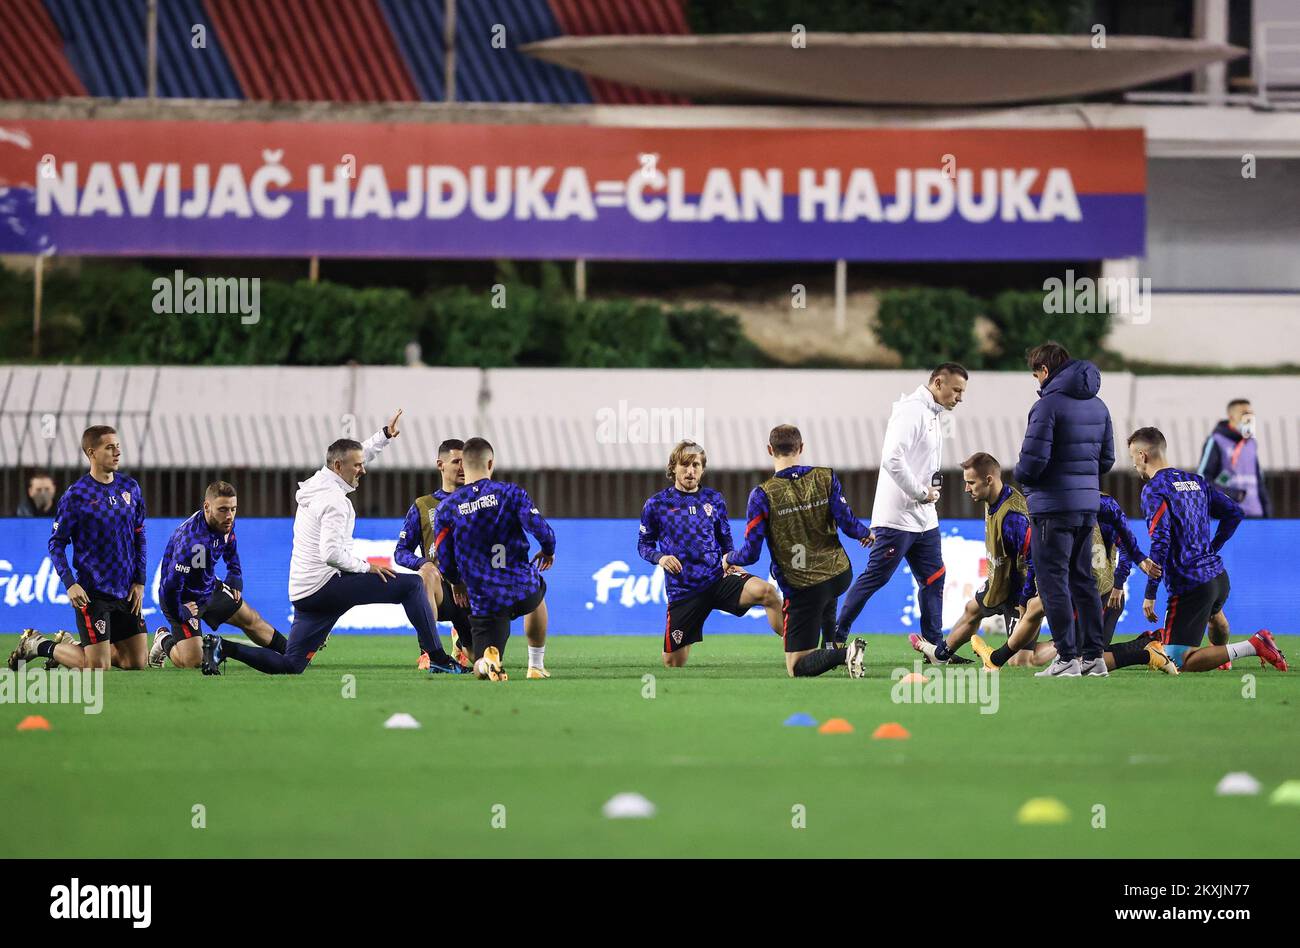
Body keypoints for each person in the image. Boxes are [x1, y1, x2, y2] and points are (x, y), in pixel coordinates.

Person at [201, 409, 464, 676]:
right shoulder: (336, 501)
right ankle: (438, 657)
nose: (363, 470)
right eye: (357, 466)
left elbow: (355, 453)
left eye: (362, 463)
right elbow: (331, 553)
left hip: (304, 593)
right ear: (338, 468)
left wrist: (383, 436)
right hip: (327, 587)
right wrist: (368, 567)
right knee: (412, 585)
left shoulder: (320, 480)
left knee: (292, 664)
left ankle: (224, 648)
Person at [1117, 426, 1286, 674]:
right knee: (1215, 616)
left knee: (1178, 661)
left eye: (1133, 458)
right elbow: (1235, 512)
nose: (1134, 465)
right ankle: (1221, 657)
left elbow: (1161, 539)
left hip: (1191, 585)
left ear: (1143, 456)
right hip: (1218, 578)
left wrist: (1150, 592)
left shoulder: (1154, 489)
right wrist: (1212, 548)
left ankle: (1253, 645)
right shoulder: (1196, 481)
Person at [834, 363, 968, 656]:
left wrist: (927, 496)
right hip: (897, 518)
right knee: (876, 577)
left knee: (934, 578)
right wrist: (921, 492)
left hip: (923, 518)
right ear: (937, 382)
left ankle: (934, 647)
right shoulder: (911, 411)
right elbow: (891, 459)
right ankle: (835, 637)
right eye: (956, 390)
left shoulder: (932, 413)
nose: (960, 397)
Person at [723, 424, 868, 678]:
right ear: (801, 448)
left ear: (770, 450)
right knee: (825, 591)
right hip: (839, 575)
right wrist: (865, 534)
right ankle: (832, 643)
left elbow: (751, 554)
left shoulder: (762, 495)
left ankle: (844, 653)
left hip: (804, 587)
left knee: (797, 667)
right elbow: (848, 523)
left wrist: (728, 558)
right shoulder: (826, 476)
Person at [1013, 341, 1114, 679]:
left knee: (1053, 581)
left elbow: (1033, 461)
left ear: (1044, 371)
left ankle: (1067, 657)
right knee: (1082, 579)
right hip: (1088, 505)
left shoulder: (1047, 406)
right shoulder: (1099, 407)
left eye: (1035, 374)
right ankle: (1094, 658)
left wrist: (1022, 477)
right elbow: (1107, 460)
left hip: (1053, 507)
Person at [10, 427, 148, 671]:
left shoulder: (130, 488)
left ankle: (72, 647)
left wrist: (139, 581)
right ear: (92, 453)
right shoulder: (76, 495)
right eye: (110, 447)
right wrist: (70, 583)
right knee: (98, 667)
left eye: (118, 445)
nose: (118, 452)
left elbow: (140, 534)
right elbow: (56, 543)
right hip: (93, 593)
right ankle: (39, 645)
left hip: (126, 591)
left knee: (136, 662)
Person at [638, 440, 782, 668]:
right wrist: (661, 558)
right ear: (673, 467)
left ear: (702, 469)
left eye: (696, 465)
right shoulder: (656, 504)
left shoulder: (714, 500)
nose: (690, 470)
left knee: (768, 592)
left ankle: (798, 645)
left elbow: (725, 538)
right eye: (684, 464)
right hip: (684, 591)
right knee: (674, 663)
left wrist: (731, 560)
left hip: (718, 578)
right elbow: (643, 545)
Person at [433, 437, 555, 680]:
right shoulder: (510, 493)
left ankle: (488, 661)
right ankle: (536, 666)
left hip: (483, 597)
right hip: (519, 587)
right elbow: (542, 530)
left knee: (479, 664)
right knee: (538, 590)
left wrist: (456, 583)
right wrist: (548, 550)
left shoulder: (447, 508)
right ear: (490, 463)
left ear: (463, 467)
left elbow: (444, 558)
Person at [148, 481, 287, 670]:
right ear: (207, 507)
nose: (229, 515)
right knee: (193, 661)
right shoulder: (191, 541)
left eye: (233, 509)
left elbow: (230, 546)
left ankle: (291, 653)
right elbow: (170, 587)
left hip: (209, 588)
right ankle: (164, 639)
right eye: (223, 509)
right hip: (184, 599)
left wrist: (234, 575)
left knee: (251, 619)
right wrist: (181, 612)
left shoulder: (225, 523)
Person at [395, 438, 473, 670]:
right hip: (441, 589)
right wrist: (424, 562)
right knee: (426, 573)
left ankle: (461, 643)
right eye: (456, 461)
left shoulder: (479, 501)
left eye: (466, 462)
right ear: (440, 464)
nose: (462, 467)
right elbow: (401, 552)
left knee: (483, 662)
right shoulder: (422, 505)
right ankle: (429, 652)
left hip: (472, 592)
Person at [1198, 398, 1271, 518]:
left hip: (1255, 513)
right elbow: (1203, 479)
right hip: (1229, 515)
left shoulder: (1251, 443)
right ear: (1231, 417)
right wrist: (1231, 494)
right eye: (1244, 414)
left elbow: (1258, 481)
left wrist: (1267, 512)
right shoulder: (1216, 440)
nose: (1249, 418)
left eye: (1251, 414)